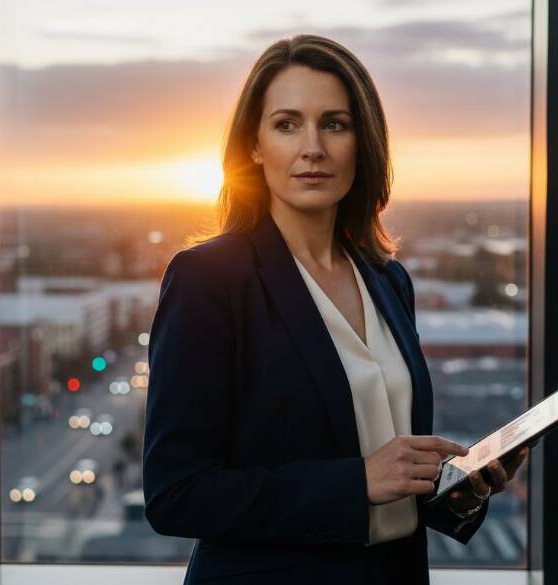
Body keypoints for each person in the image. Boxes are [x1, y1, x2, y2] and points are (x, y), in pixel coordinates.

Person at [142, 34, 529, 584]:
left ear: (361, 142)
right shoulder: (209, 279)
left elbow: (390, 491)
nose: (312, 148)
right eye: (286, 124)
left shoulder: (388, 280)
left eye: (335, 124)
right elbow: (175, 494)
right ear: (253, 145)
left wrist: (458, 486)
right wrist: (357, 481)